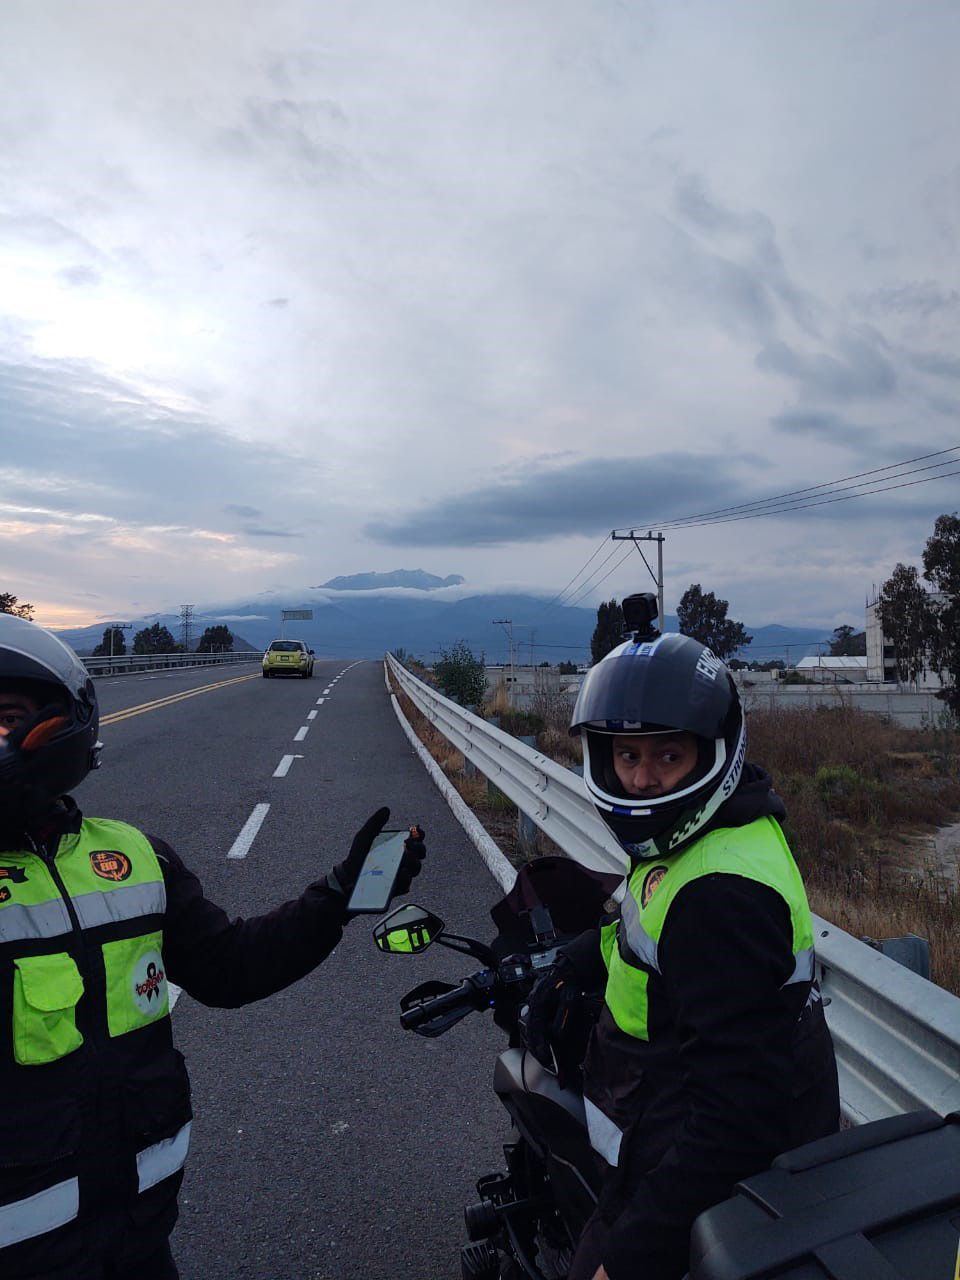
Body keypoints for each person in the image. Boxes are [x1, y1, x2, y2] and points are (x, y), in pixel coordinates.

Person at [0, 613, 426, 1280]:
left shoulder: (134, 857)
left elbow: (229, 967)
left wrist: (344, 891)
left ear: (63, 720)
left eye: (4, 717)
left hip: (138, 1239)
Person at [523, 611, 839, 1280]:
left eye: (668, 756)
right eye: (626, 756)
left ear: (712, 750)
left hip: (691, 1190)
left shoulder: (720, 897)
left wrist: (630, 1257)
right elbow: (654, 933)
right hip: (666, 1133)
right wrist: (583, 954)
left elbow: (734, 1123)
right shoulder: (711, 837)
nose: (641, 780)